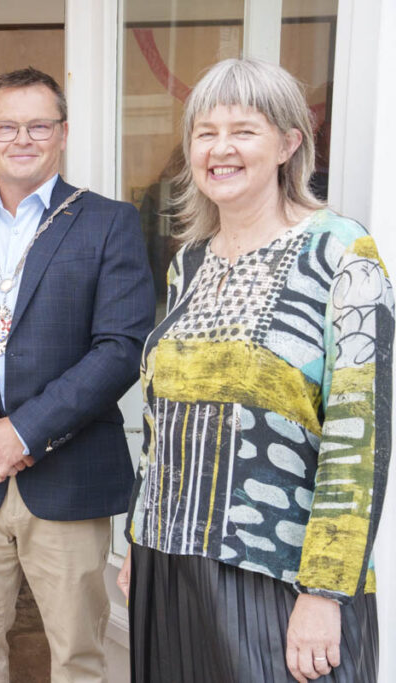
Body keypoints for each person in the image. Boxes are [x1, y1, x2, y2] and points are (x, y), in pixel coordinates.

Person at [117, 58, 391, 683]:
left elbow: (358, 442)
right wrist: (138, 536)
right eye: (205, 133)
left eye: (244, 130)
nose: (221, 149)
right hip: (169, 560)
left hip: (279, 573)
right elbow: (161, 424)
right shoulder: (189, 263)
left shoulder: (342, 253)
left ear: (289, 144)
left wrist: (325, 594)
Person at [0, 67, 155, 682]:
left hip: (68, 478)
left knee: (79, 656)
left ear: (62, 133)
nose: (22, 139)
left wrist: (24, 432)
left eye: (38, 126)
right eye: (7, 126)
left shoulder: (108, 222)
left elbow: (120, 348)